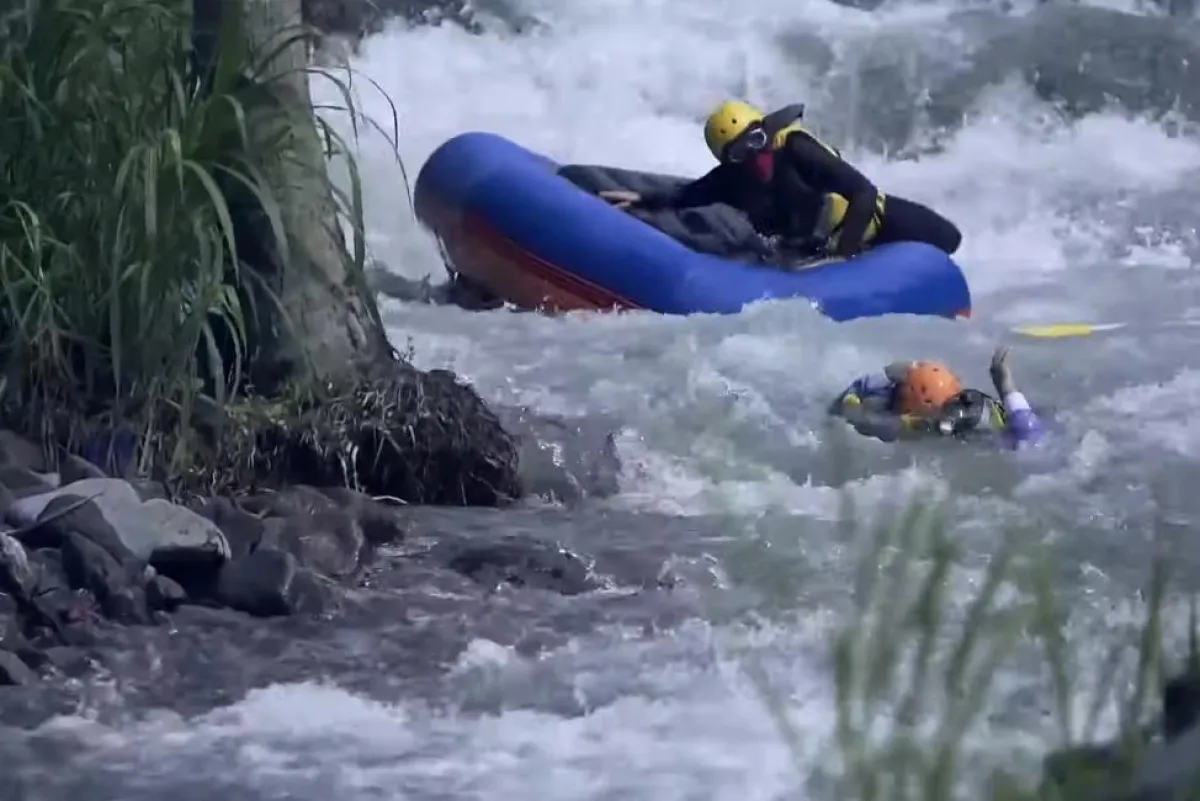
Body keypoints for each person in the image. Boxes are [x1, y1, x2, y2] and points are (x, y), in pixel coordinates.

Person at [599, 100, 962, 260]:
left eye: (756, 140)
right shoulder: (729, 181)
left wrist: (844, 253)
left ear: (767, 132)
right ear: (728, 161)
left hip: (871, 225)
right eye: (740, 153)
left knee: (950, 238)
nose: (753, 155)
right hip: (807, 248)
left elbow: (863, 191)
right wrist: (643, 199)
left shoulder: (797, 149)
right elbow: (687, 195)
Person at [829, 346, 1044, 449]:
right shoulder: (962, 402)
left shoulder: (959, 421)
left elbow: (1027, 434)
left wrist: (1007, 388)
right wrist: (1006, 386)